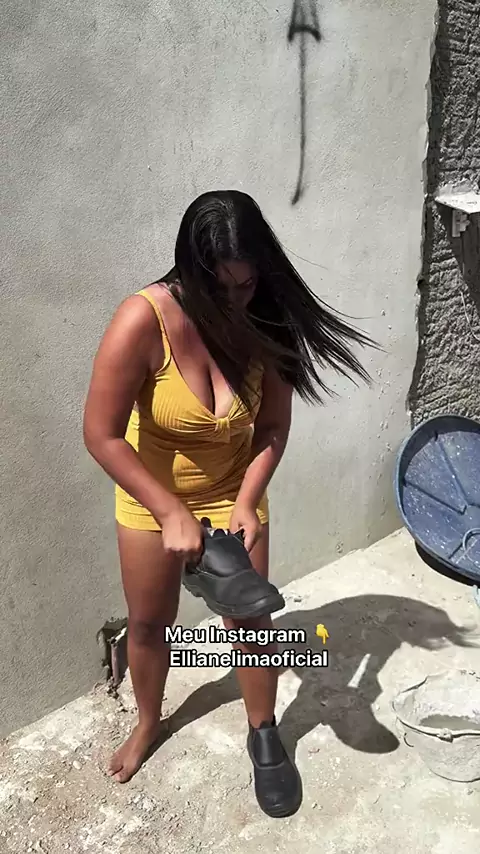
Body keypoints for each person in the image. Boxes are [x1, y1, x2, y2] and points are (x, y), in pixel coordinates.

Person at [83, 189, 373, 818]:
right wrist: (169, 511)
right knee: (149, 623)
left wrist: (247, 501)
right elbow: (101, 434)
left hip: (232, 492)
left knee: (252, 625)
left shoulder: (267, 319)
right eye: (221, 288)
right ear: (191, 272)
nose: (236, 301)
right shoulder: (143, 319)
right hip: (152, 493)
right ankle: (149, 722)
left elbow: (272, 429)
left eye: (247, 285)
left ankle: (264, 735)